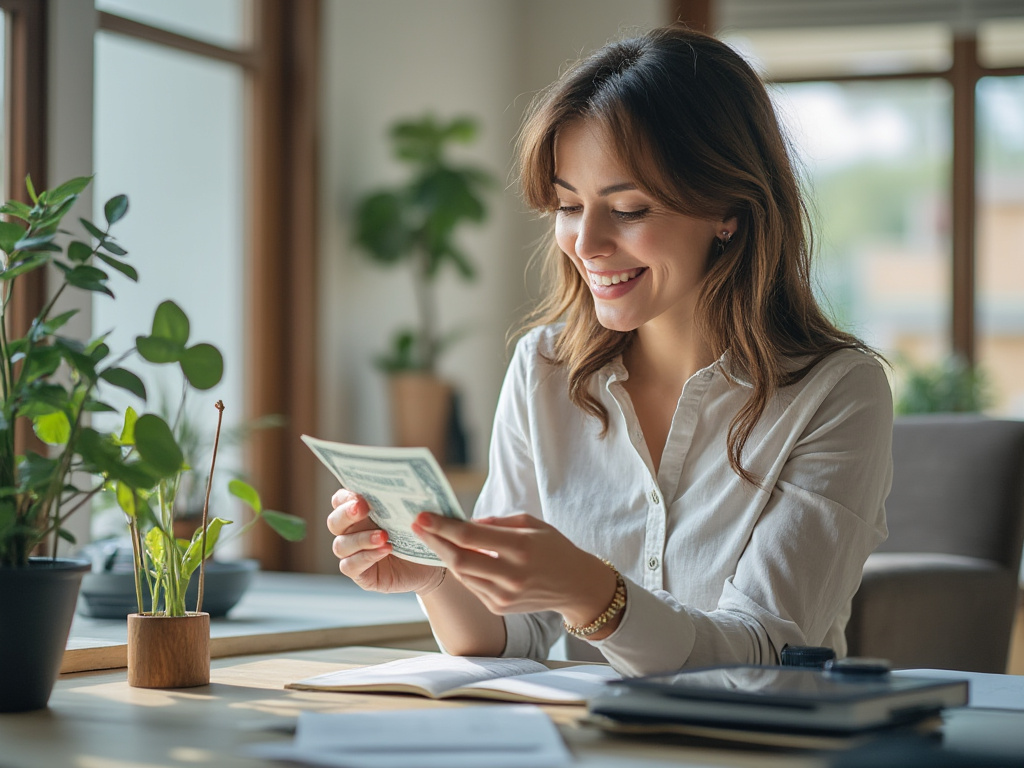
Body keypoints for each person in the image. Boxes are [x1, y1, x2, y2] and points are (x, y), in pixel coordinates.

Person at [327, 25, 892, 677]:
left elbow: (766, 654)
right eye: (569, 205)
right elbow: (514, 635)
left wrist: (592, 593)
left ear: (728, 210)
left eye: (627, 208)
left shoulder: (837, 392)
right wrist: (436, 575)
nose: (586, 242)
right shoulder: (544, 370)